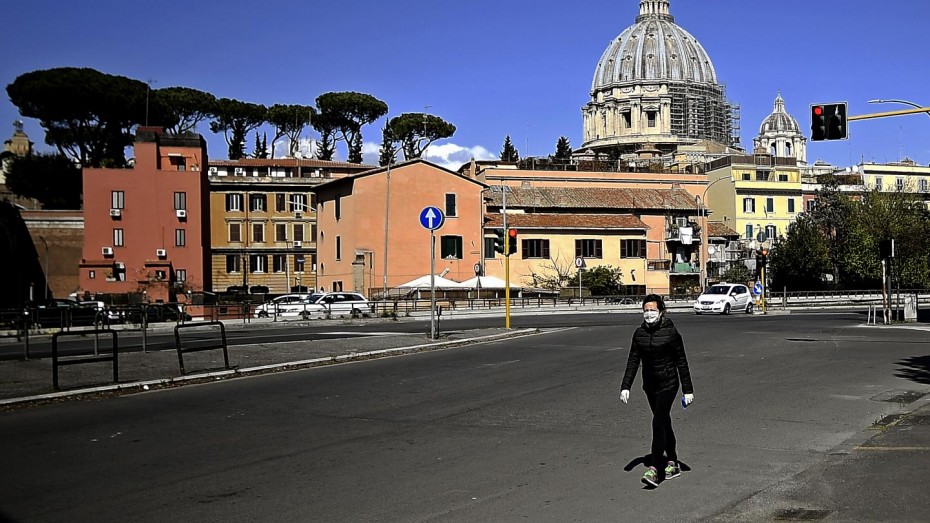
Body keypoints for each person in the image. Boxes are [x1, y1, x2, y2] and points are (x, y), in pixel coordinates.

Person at [619, 294, 694, 487]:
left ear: (661, 312)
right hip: (650, 385)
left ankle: (654, 469)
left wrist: (687, 390)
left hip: (669, 383)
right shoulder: (639, 334)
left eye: (652, 310)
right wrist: (625, 386)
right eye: (646, 310)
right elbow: (633, 360)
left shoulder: (671, 333)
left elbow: (682, 362)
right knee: (664, 422)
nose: (649, 313)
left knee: (658, 420)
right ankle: (673, 461)